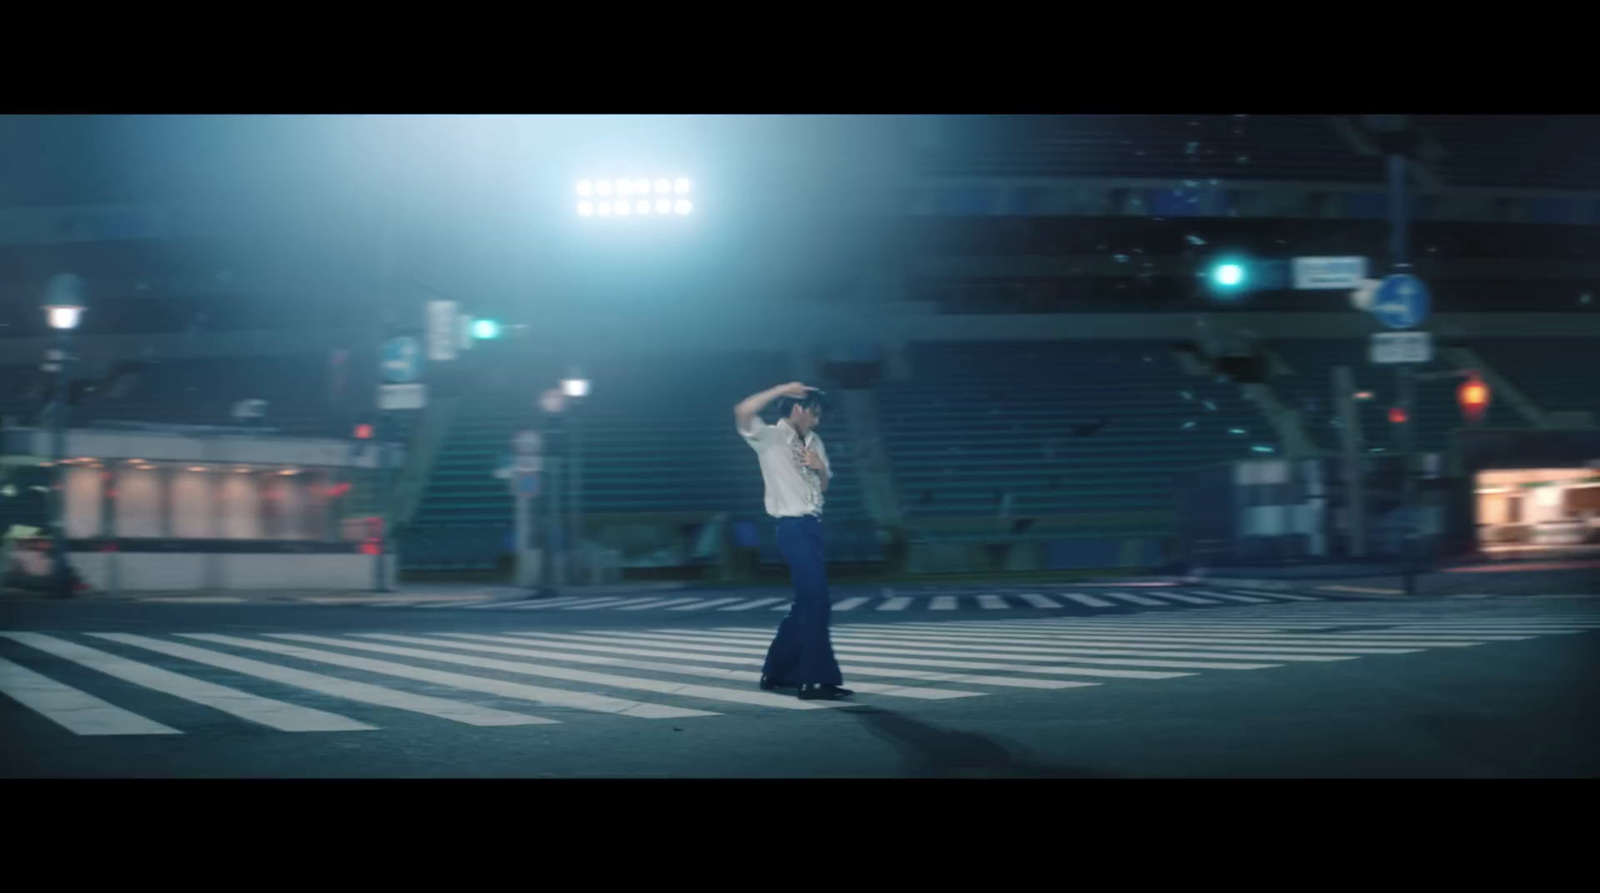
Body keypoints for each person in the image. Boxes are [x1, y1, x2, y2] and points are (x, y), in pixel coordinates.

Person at [734, 381, 852, 701]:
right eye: (814, 413)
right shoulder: (769, 437)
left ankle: (776, 672)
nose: (817, 420)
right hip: (791, 526)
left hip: (813, 526)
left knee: (806, 603)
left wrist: (820, 467)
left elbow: (824, 485)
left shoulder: (815, 441)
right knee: (817, 602)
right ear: (798, 409)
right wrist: (782, 389)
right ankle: (814, 679)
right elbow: (742, 411)